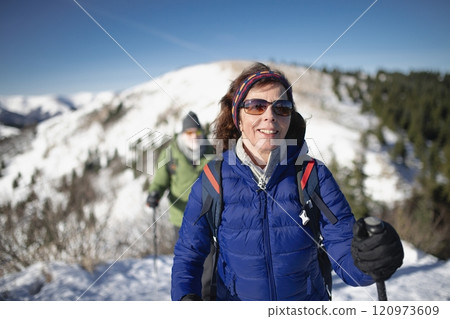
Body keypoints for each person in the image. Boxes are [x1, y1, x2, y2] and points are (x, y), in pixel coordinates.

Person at [171, 63, 403, 301]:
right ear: (238, 118)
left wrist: (369, 260)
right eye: (256, 106)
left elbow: (344, 252)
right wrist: (185, 298)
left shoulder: (313, 175)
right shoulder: (214, 178)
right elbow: (190, 253)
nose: (269, 116)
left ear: (289, 118)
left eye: (282, 108)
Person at [146, 111, 213, 243]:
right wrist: (154, 194)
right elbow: (160, 181)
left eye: (197, 132)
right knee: (186, 261)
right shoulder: (170, 154)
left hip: (207, 218)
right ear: (182, 134)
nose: (194, 136)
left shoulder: (211, 151)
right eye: (189, 132)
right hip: (181, 218)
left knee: (209, 262)